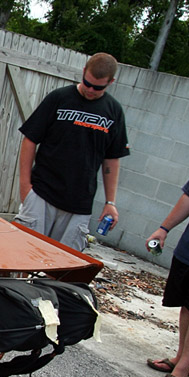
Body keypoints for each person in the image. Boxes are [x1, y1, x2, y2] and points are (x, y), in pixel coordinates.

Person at [14, 53, 130, 251]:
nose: (90, 90)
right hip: (42, 194)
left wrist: (110, 202)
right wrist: (25, 186)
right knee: (24, 252)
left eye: (98, 87)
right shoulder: (59, 98)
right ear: (84, 72)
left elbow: (111, 159)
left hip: (79, 204)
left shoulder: (113, 111)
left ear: (111, 82)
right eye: (87, 83)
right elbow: (30, 139)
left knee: (64, 262)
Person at [145, 178, 189, 377]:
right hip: (188, 250)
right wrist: (163, 229)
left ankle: (183, 368)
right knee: (186, 306)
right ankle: (180, 357)